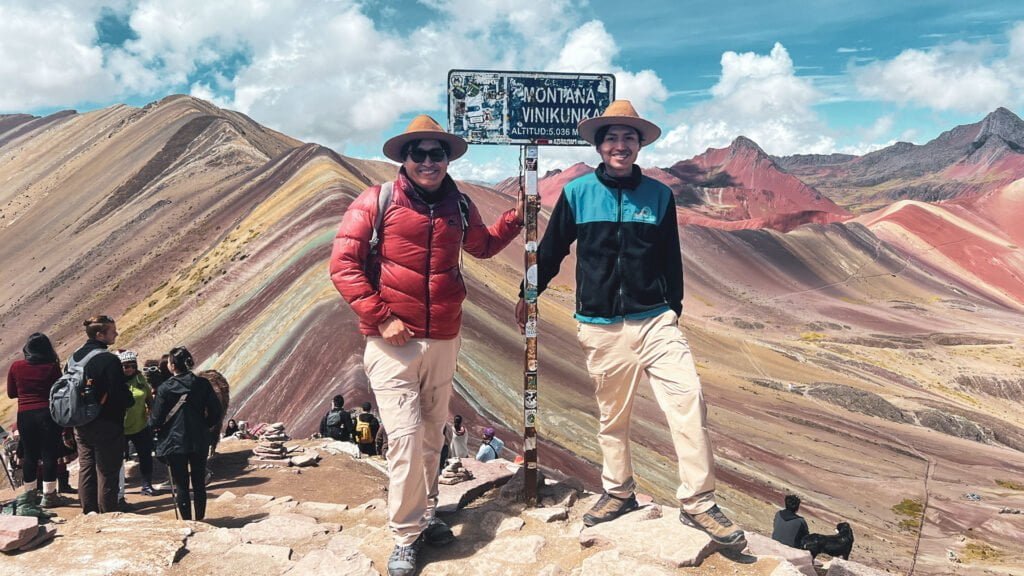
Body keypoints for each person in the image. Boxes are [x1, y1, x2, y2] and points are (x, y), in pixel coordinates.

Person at [515, 100, 746, 547]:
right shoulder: (578, 193)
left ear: (639, 145)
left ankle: (698, 503)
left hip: (655, 319)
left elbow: (670, 258)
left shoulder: (658, 195)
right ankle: (618, 491)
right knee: (612, 416)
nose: (620, 145)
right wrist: (530, 290)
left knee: (689, 400)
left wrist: (672, 308)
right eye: (612, 138)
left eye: (629, 138)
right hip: (600, 324)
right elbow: (553, 247)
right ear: (600, 145)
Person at [330, 114, 523, 576]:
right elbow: (343, 266)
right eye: (420, 153)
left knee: (434, 433)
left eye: (438, 153)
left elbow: (481, 246)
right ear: (405, 158)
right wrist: (382, 318)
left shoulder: (459, 203)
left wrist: (518, 218)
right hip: (392, 341)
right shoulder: (374, 201)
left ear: (447, 158)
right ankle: (404, 535)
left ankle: (428, 511)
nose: (430, 161)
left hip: (445, 337)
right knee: (404, 437)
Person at [148, 346, 223, 521]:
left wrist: (155, 429)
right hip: (199, 439)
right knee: (199, 482)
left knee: (181, 484)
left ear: (172, 365)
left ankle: (187, 521)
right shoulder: (203, 384)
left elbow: (156, 418)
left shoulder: (165, 388)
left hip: (174, 442)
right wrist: (204, 425)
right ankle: (201, 520)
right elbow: (216, 412)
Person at [72, 315, 133, 514]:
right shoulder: (108, 359)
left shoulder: (74, 357)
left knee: (87, 467)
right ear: (100, 334)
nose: (116, 333)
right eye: (112, 331)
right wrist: (130, 401)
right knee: (107, 472)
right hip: (107, 422)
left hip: (80, 421)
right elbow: (118, 393)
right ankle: (108, 514)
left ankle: (88, 513)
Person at [6, 333, 68, 508]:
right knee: (49, 454)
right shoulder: (52, 367)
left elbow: (12, 393)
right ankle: (49, 496)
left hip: (25, 414)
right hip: (48, 414)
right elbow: (59, 390)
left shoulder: (16, 366)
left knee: (29, 455)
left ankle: (30, 497)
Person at [119, 350, 156, 501]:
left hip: (140, 426)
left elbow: (149, 398)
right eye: (124, 366)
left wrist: (151, 414)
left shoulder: (141, 380)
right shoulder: (116, 381)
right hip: (120, 428)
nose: (128, 369)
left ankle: (147, 485)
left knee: (145, 456)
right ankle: (119, 489)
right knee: (117, 459)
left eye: (131, 366)